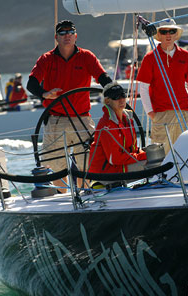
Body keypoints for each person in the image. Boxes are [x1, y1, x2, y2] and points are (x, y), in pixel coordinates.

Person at [27, 19, 112, 192]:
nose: (67, 36)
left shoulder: (86, 56)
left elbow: (103, 78)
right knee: (55, 167)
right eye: (63, 33)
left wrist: (113, 90)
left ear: (76, 36)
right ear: (56, 37)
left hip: (82, 119)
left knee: (87, 165)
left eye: (70, 32)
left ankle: (85, 196)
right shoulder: (46, 59)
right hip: (56, 120)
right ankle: (64, 198)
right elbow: (31, 84)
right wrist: (44, 93)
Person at [137, 19, 188, 155]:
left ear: (176, 34)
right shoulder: (150, 58)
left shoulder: (185, 56)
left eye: (172, 31)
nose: (168, 35)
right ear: (159, 35)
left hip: (184, 112)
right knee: (161, 156)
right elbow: (143, 88)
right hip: (161, 113)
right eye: (164, 32)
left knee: (185, 153)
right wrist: (150, 112)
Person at [87, 82, 147, 182]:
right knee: (153, 164)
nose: (121, 100)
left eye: (123, 95)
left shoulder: (127, 119)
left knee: (157, 157)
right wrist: (144, 156)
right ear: (107, 101)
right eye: (116, 97)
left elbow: (133, 149)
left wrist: (145, 153)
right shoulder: (106, 125)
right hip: (105, 175)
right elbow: (114, 159)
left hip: (118, 168)